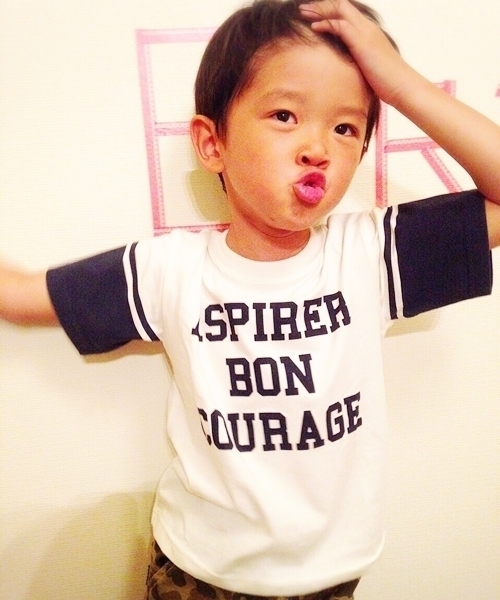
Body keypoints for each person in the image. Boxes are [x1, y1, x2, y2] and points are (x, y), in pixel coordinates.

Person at [1, 0, 500, 598]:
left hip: (330, 571)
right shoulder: (170, 270)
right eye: (285, 115)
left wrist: (401, 86)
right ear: (212, 143)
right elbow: (18, 294)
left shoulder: (370, 253)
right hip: (199, 568)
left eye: (345, 128)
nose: (317, 148)